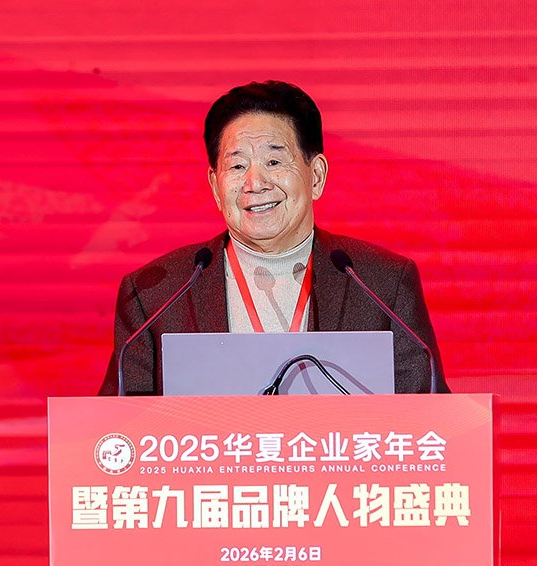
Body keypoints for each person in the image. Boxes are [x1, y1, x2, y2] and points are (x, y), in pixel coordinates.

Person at [98, 80, 449, 395]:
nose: (255, 183)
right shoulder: (156, 293)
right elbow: (118, 429)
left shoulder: (382, 283)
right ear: (216, 187)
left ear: (316, 176)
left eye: (274, 162)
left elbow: (430, 419)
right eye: (237, 166)